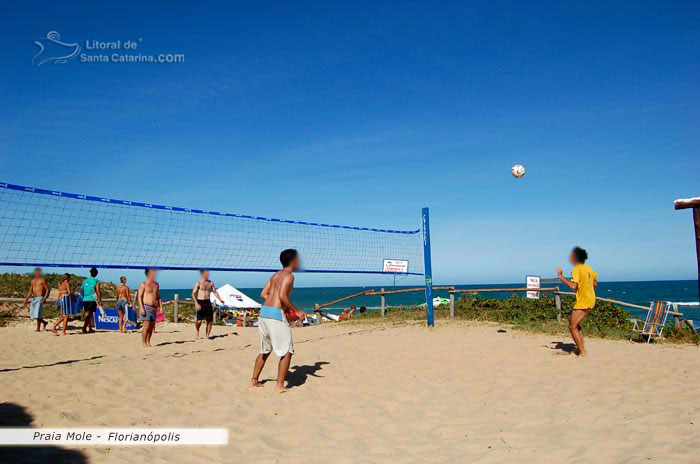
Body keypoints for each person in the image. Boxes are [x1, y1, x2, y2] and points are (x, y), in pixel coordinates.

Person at [250, 249, 306, 393]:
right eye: (298, 259)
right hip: (275, 314)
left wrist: (280, 305)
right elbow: (282, 296)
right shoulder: (289, 276)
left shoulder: (275, 275)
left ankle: (254, 380)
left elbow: (263, 294)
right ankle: (280, 386)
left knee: (265, 350)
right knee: (287, 351)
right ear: (293, 261)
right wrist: (296, 310)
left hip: (264, 313)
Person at [557, 246, 598, 357]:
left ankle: (582, 352)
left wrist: (561, 277)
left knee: (572, 326)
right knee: (575, 324)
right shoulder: (589, 268)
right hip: (590, 299)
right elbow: (595, 284)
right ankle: (581, 349)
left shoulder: (577, 269)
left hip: (584, 301)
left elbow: (573, 286)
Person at [191, 270, 224, 339]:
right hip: (200, 302)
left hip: (208, 302)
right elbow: (193, 294)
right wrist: (196, 303)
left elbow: (214, 292)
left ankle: (207, 335)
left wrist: (220, 299)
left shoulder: (211, 283)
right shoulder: (198, 282)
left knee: (210, 321)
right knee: (199, 321)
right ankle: (197, 330)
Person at [137, 268, 162, 348]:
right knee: (146, 325)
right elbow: (139, 297)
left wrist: (161, 307)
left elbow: (158, 296)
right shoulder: (143, 284)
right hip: (146, 306)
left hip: (154, 307)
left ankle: (148, 342)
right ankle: (144, 342)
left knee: (151, 326)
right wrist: (142, 308)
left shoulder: (156, 284)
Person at [23, 268, 49, 332]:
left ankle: (38, 328)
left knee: (37, 313)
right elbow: (30, 291)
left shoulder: (42, 280)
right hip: (34, 298)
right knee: (33, 314)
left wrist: (45, 298)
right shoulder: (33, 281)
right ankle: (44, 322)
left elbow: (47, 289)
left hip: (40, 298)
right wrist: (26, 300)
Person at [81, 268, 102, 333]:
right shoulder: (96, 281)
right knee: (89, 314)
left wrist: (83, 296)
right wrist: (99, 300)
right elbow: (98, 291)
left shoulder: (85, 281)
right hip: (92, 299)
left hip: (85, 299)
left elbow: (81, 290)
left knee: (89, 313)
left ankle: (90, 328)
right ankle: (84, 327)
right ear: (96, 274)